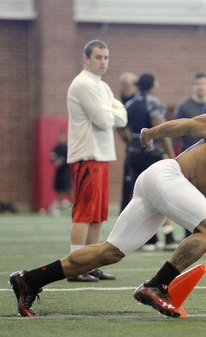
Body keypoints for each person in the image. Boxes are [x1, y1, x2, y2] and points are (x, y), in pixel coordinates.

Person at [9, 113, 206, 318]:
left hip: (164, 193)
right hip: (167, 175)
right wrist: (151, 133)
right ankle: (156, 286)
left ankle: (30, 280)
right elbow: (189, 125)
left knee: (109, 253)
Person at [65, 40, 127, 282]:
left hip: (101, 156)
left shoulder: (102, 86)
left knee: (98, 214)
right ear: (86, 58)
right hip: (86, 156)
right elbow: (104, 119)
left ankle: (89, 263)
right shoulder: (83, 83)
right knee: (83, 213)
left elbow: (122, 118)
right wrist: (114, 111)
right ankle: (74, 266)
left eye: (106, 57)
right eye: (98, 57)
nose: (103, 62)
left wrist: (113, 112)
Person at [118, 73, 177, 252]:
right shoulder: (155, 103)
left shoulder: (129, 104)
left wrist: (130, 142)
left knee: (139, 196)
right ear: (153, 85)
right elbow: (160, 130)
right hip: (152, 154)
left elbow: (120, 127)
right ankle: (168, 238)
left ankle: (145, 239)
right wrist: (171, 154)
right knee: (160, 194)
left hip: (133, 155)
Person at [173, 72, 206, 153]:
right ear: (192, 86)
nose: (200, 87)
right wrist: (168, 153)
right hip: (189, 153)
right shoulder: (183, 107)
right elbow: (174, 133)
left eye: (203, 83)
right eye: (197, 84)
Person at [117, 72, 139, 212]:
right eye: (122, 84)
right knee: (127, 189)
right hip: (131, 152)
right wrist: (127, 141)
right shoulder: (121, 104)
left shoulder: (136, 103)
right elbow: (119, 127)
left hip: (141, 152)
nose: (124, 87)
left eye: (127, 84)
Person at [49, 131, 72, 215]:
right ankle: (61, 207)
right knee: (59, 190)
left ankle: (75, 206)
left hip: (66, 172)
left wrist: (62, 161)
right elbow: (52, 158)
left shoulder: (67, 148)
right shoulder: (56, 148)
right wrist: (57, 161)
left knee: (68, 189)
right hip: (58, 172)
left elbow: (68, 159)